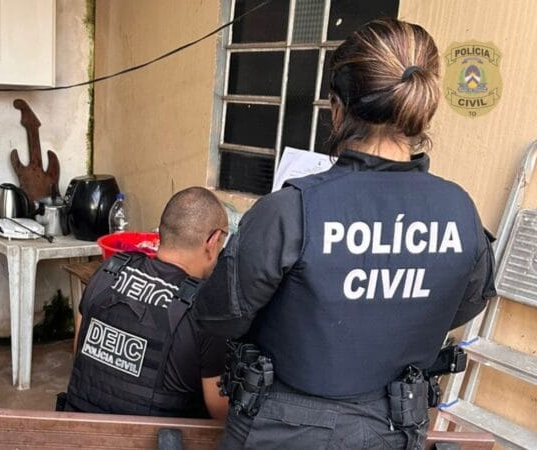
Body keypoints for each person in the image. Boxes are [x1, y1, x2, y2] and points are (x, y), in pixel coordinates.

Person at [194, 18, 497, 449]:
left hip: (284, 431)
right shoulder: (460, 211)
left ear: (337, 109)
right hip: (392, 427)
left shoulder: (290, 210)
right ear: (420, 109)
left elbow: (219, 315)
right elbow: (464, 303)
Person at [64, 187, 230, 420]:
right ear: (212, 242)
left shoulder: (108, 272)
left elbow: (79, 351)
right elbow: (221, 414)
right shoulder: (206, 309)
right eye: (223, 240)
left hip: (78, 438)